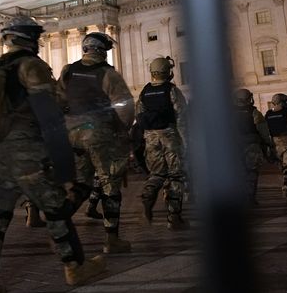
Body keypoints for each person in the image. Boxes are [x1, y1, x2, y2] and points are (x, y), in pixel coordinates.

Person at [0, 16, 105, 292]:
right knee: (56, 209)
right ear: (31, 39)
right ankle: (74, 268)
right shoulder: (32, 66)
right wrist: (66, 171)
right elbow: (50, 118)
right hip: (27, 153)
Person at [57, 32, 135, 253]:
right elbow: (125, 107)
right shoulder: (108, 74)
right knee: (110, 184)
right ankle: (112, 239)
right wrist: (122, 129)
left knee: (81, 183)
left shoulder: (68, 71)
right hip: (101, 134)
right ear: (102, 51)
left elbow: (58, 99)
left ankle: (60, 222)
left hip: (73, 134)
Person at [136, 56, 189, 230]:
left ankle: (147, 197)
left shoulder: (144, 92)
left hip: (150, 138)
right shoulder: (171, 90)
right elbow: (181, 116)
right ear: (168, 72)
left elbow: (140, 115)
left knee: (156, 174)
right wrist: (185, 141)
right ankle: (174, 217)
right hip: (170, 135)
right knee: (175, 175)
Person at [234, 89, 275, 205]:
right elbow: (263, 131)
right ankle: (250, 197)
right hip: (251, 145)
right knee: (252, 172)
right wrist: (269, 144)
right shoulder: (254, 112)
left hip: (235, 146)